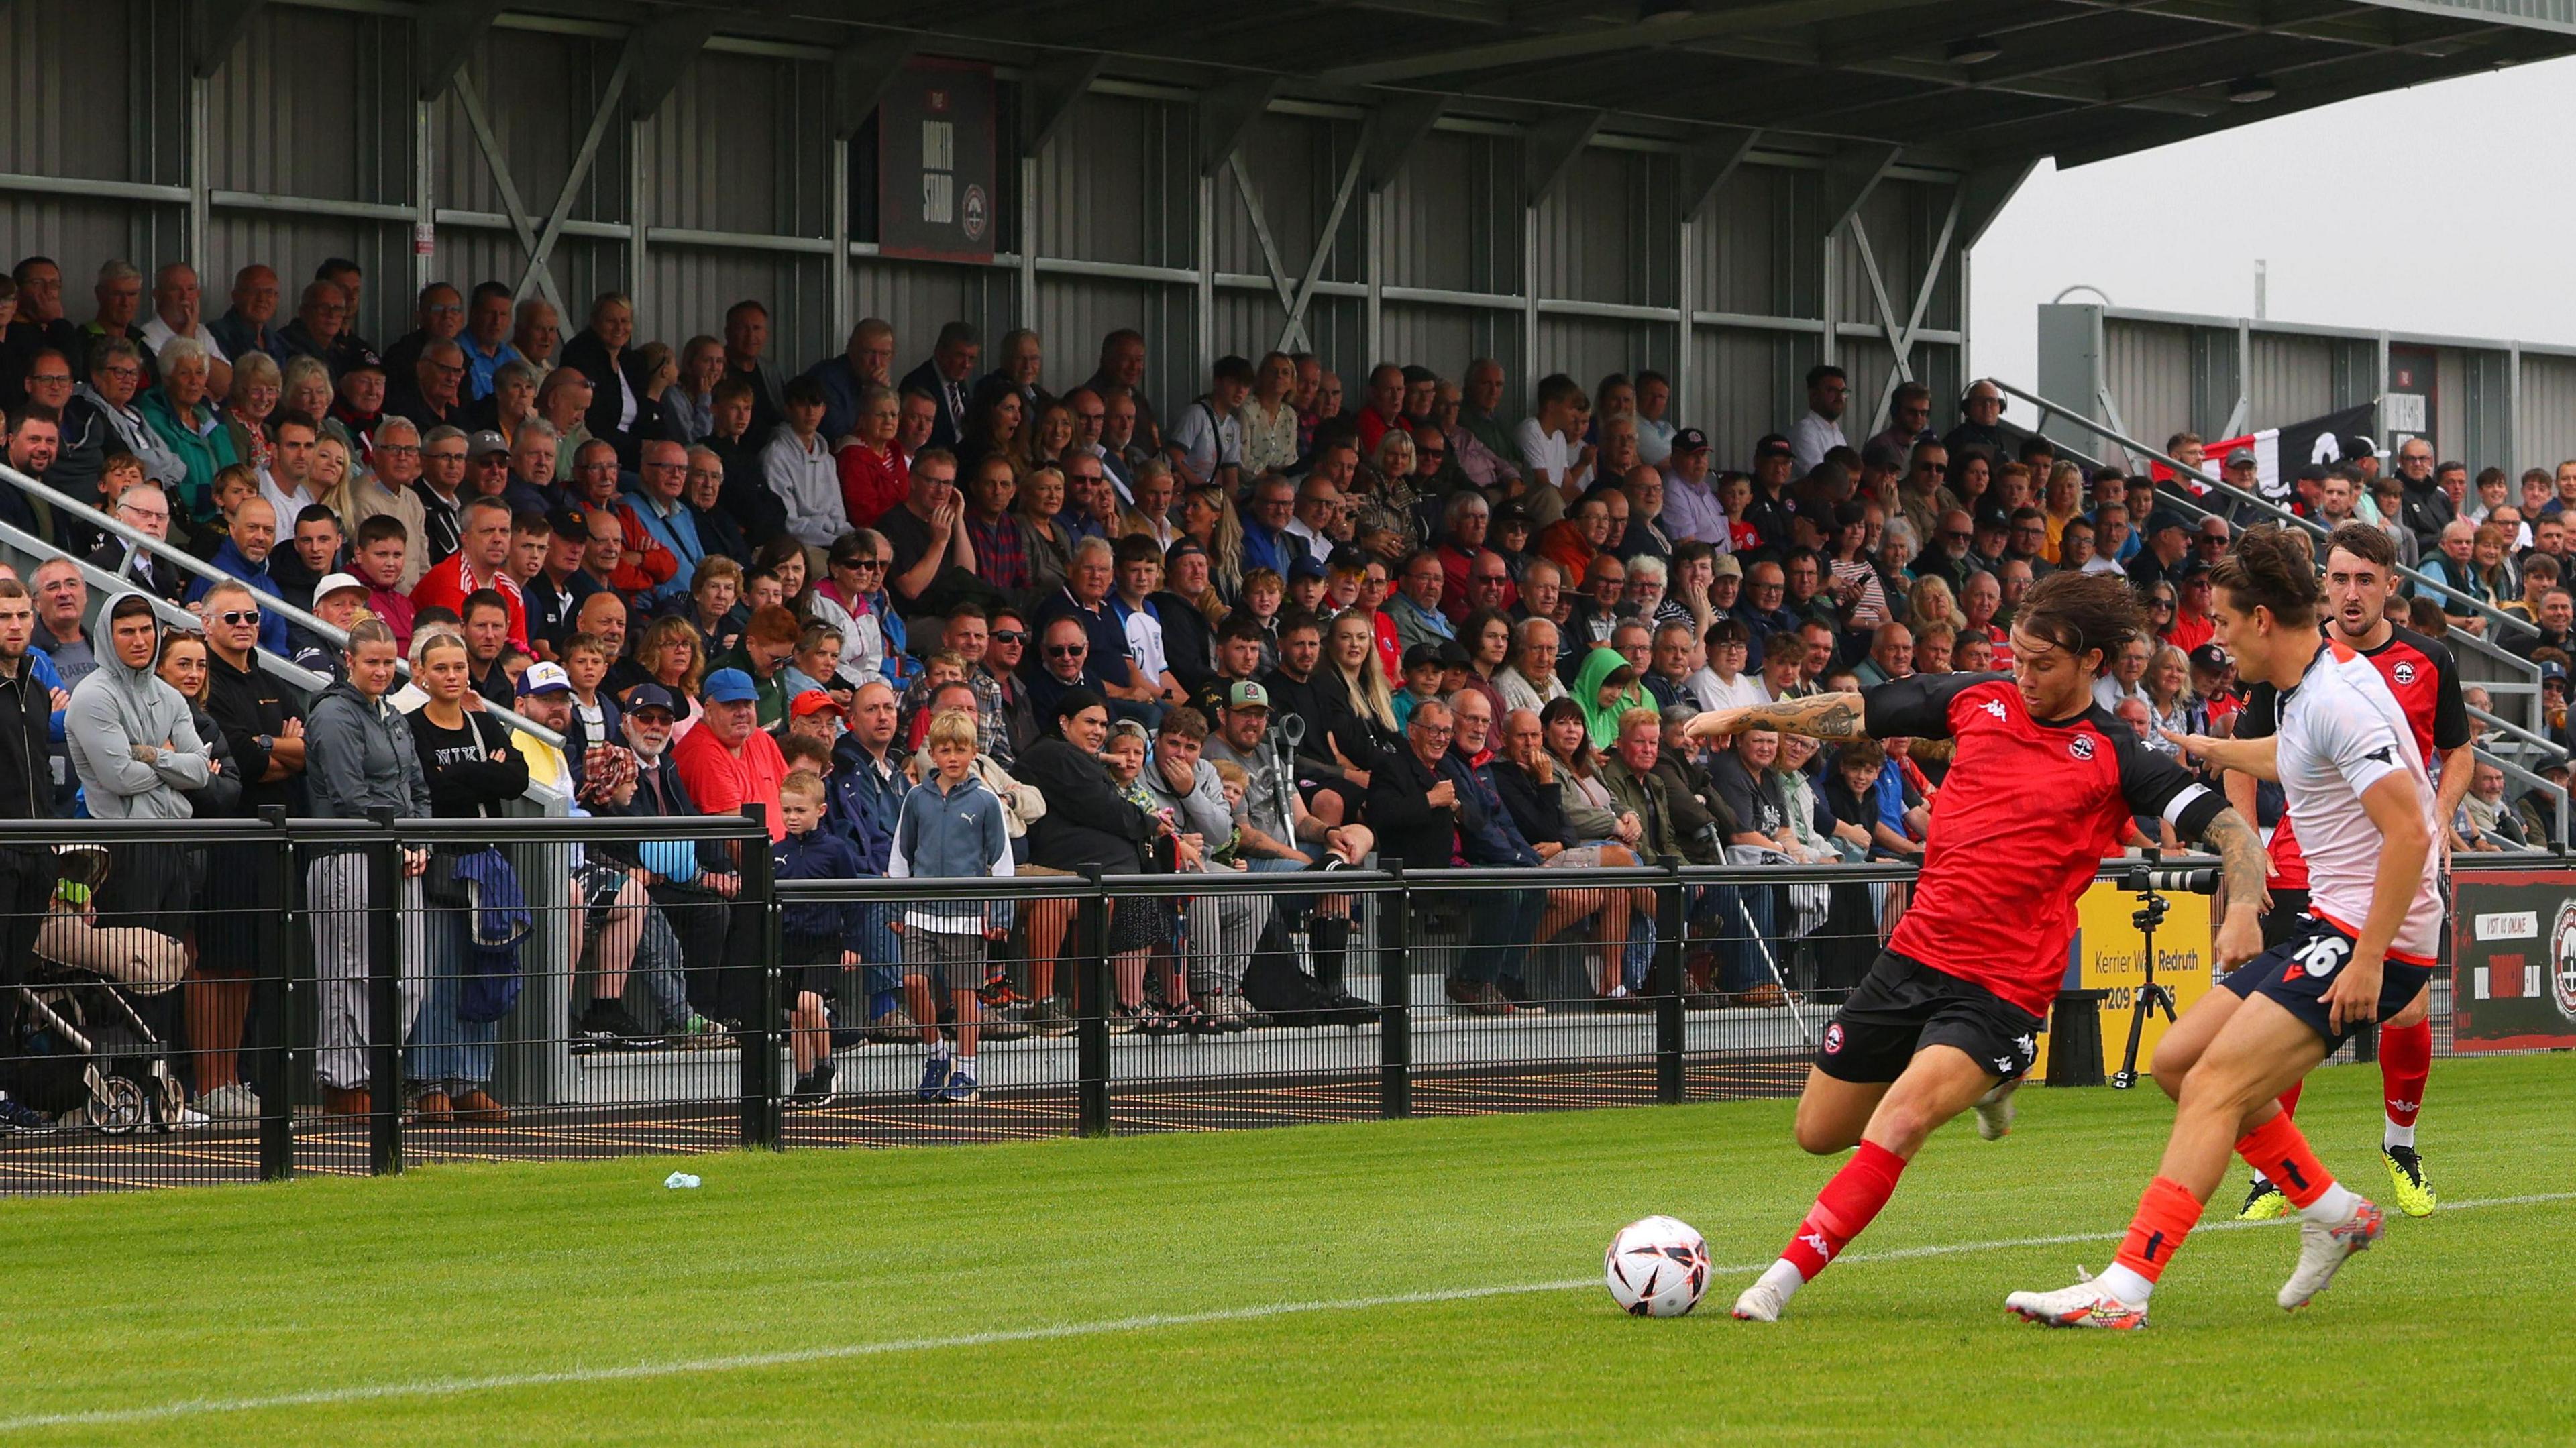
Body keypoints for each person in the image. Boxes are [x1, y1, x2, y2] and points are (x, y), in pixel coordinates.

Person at [1693, 569, 2266, 1324]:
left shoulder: (2117, 754)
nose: (2022, 676)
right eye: (2019, 657)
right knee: (1818, 1132)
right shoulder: (1977, 696)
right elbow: (1859, 710)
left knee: (1899, 1119)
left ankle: (1776, 1282)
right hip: (1912, 956)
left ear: (2093, 661)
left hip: (1999, 989)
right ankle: (1999, 1083)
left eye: (2043, 664)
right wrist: (1746, 714)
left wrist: (2246, 907)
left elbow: (2230, 829)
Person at [2008, 527, 2438, 1330]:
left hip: (2371, 933)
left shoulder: (2339, 695)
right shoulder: (2317, 685)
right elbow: (2301, 754)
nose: (2216, 637)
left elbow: (2410, 832)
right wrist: (2210, 747)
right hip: (2331, 920)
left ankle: (2126, 1288)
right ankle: (2335, 1209)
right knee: (2176, 1060)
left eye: (2226, 622)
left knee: (2213, 1085)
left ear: (2265, 618)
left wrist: (2373, 957)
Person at [2222, 523, 2465, 1224]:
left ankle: (2401, 1144)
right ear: (2321, 584)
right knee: (2284, 1020)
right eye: (2338, 578)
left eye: (2365, 579)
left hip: (2394, 860)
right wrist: (2248, 843)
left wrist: (2440, 816)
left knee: (2410, 1009)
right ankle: (2278, 1172)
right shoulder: (2293, 654)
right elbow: (2249, 750)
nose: (2350, 593)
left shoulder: (2428, 658)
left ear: (2393, 584)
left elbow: (2457, 752)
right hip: (2303, 860)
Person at [302, 618, 433, 1118]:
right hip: (347, 855)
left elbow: (419, 789)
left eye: (388, 661)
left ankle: (376, 1072)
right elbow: (348, 794)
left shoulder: (393, 715)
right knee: (350, 975)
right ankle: (345, 1083)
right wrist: (398, 842)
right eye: (371, 661)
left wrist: (418, 840)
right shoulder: (334, 714)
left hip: (399, 857)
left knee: (410, 978)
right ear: (348, 660)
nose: (381, 670)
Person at [402, 629, 530, 1124]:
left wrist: (464, 773)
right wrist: (481, 770)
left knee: (485, 969)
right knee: (434, 974)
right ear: (421, 673)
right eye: (441, 668)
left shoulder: (485, 723)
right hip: (438, 864)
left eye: (459, 667)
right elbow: (425, 785)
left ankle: (470, 1080)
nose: (453, 676)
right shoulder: (410, 726)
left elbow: (515, 779)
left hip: (486, 864)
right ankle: (430, 1082)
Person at [888, 709, 1016, 1103]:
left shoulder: (985, 801)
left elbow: (1003, 862)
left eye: (961, 749)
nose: (953, 758)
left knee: (965, 994)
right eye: (944, 750)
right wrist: (896, 908)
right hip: (921, 911)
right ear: (933, 753)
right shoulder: (916, 798)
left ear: (974, 752)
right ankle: (935, 1052)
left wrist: (1001, 914)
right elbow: (900, 855)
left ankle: (968, 1069)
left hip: (965, 916)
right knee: (912, 981)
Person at [769, 770, 869, 1106]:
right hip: (787, 944)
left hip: (824, 942)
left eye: (800, 811)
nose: (792, 817)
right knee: (796, 1015)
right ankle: (803, 1078)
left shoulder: (834, 850)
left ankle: (826, 1068)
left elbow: (853, 901)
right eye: (787, 810)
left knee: (809, 1004)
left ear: (820, 811)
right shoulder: (775, 852)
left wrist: (852, 946)